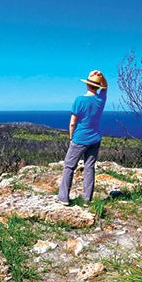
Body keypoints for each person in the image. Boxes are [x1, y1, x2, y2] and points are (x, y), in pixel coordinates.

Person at [57, 70, 107, 205]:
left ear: (87, 85)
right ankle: (87, 199)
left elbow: (73, 122)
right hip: (95, 138)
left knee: (69, 167)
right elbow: (105, 87)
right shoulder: (100, 99)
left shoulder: (80, 100)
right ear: (97, 86)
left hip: (80, 138)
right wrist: (101, 77)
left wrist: (71, 137)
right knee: (89, 167)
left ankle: (63, 198)